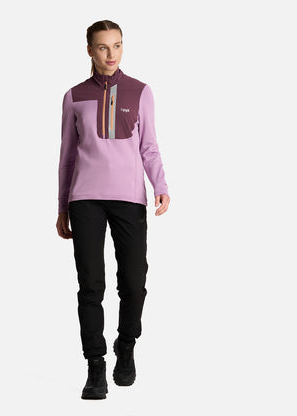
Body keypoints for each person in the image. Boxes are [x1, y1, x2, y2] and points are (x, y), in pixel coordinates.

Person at [56, 19, 170, 400]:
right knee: (91, 285)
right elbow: (67, 156)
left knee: (134, 283)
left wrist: (160, 185)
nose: (111, 54)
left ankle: (127, 344)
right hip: (85, 198)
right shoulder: (74, 96)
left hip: (129, 197)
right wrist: (62, 206)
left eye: (117, 45)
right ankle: (95, 366)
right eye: (103, 47)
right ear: (90, 50)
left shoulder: (141, 92)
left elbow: (149, 146)